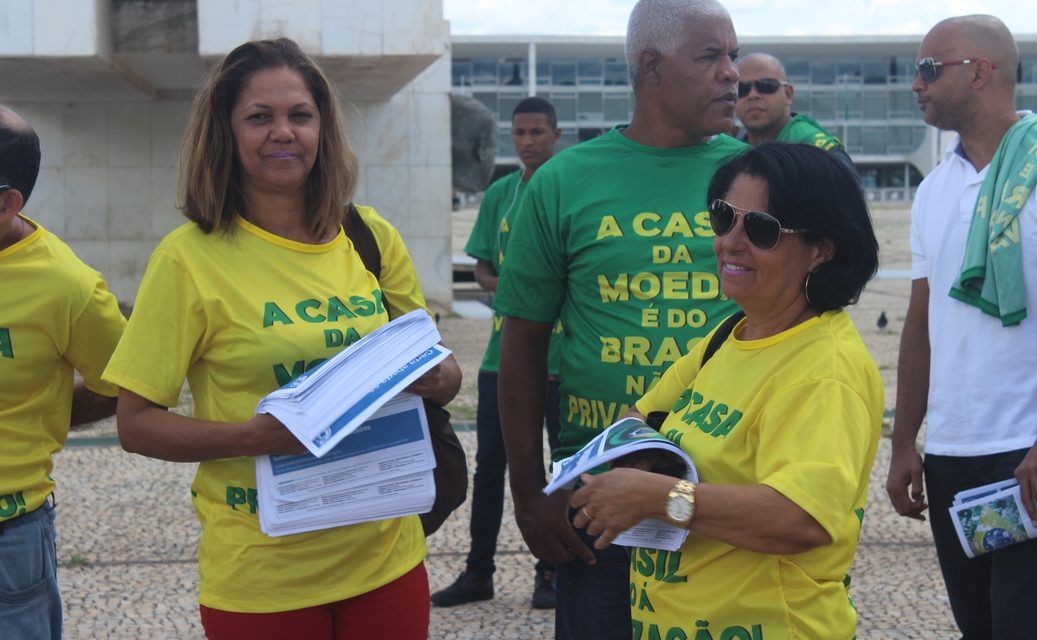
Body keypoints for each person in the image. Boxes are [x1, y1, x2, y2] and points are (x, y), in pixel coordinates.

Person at [101, 38, 461, 639]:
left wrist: (442, 377)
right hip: (261, 577)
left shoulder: (371, 237)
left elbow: (434, 362)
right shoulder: (187, 260)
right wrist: (254, 437)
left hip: (386, 557)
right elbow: (135, 423)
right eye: (259, 117)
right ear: (226, 132)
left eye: (300, 114)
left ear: (323, 127)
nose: (283, 132)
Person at [493, 1, 746, 636]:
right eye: (711, 56)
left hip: (728, 488)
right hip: (600, 495)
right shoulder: (565, 181)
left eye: (735, 55)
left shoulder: (753, 178)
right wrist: (528, 492)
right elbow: (522, 341)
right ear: (651, 66)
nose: (732, 74)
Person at [570, 142, 883, 639]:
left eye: (761, 229)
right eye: (723, 217)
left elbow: (801, 518)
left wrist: (662, 497)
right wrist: (648, 461)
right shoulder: (728, 337)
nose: (731, 242)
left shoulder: (825, 368)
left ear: (822, 249)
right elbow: (636, 418)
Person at [885, 15, 1037, 640]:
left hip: (1025, 453)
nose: (916, 85)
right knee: (981, 628)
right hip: (954, 462)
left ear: (979, 72)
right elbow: (921, 322)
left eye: (928, 69)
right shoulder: (935, 190)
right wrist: (903, 442)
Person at [432, 96, 563, 609]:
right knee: (490, 465)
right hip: (501, 359)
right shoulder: (501, 193)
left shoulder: (565, 187)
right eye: (519, 134)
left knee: (562, 467)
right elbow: (482, 269)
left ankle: (552, 572)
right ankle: (477, 571)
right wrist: (509, 285)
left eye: (536, 133)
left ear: (555, 134)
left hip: (560, 359)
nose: (527, 142)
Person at [0, 105, 126, 639]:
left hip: (9, 534)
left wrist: (44, 415)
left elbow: (120, 385)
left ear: (8, 203)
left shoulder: (68, 286)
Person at [735, 52, 856, 172]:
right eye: (742, 89)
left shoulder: (816, 152)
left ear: (788, 94)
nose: (753, 95)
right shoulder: (733, 155)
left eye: (766, 85)